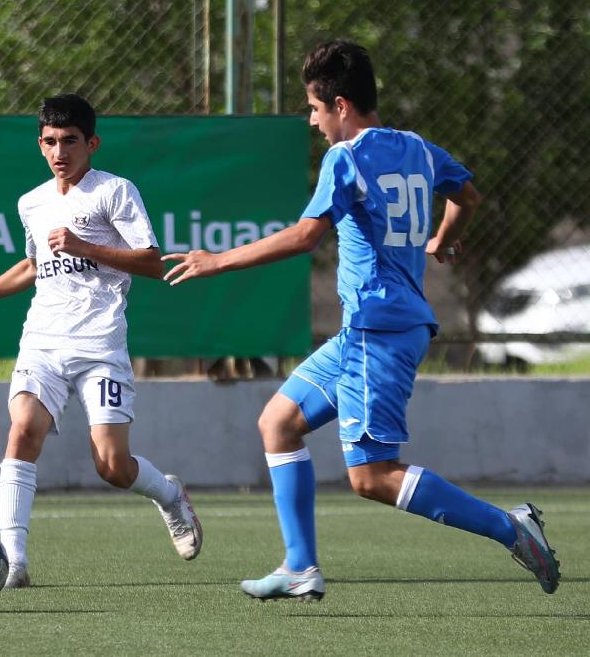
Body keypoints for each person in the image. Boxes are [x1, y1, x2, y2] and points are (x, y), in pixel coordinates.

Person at [163, 41, 559, 600]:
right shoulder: (418, 148)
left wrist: (217, 261)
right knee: (279, 422)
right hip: (368, 332)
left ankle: (510, 528)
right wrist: (444, 238)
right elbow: (467, 195)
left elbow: (306, 236)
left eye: (314, 108)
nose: (312, 120)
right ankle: (300, 567)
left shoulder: (345, 157)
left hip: (380, 331)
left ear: (341, 105)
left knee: (372, 476)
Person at [0, 93, 202, 588]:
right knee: (22, 431)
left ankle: (169, 495)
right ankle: (14, 561)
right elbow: (34, 267)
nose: (60, 152)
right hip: (43, 341)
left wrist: (84, 246)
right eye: (51, 142)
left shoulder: (114, 192)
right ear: (40, 144)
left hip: (100, 346)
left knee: (112, 466)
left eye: (70, 141)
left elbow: (150, 262)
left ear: (91, 143)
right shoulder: (31, 202)